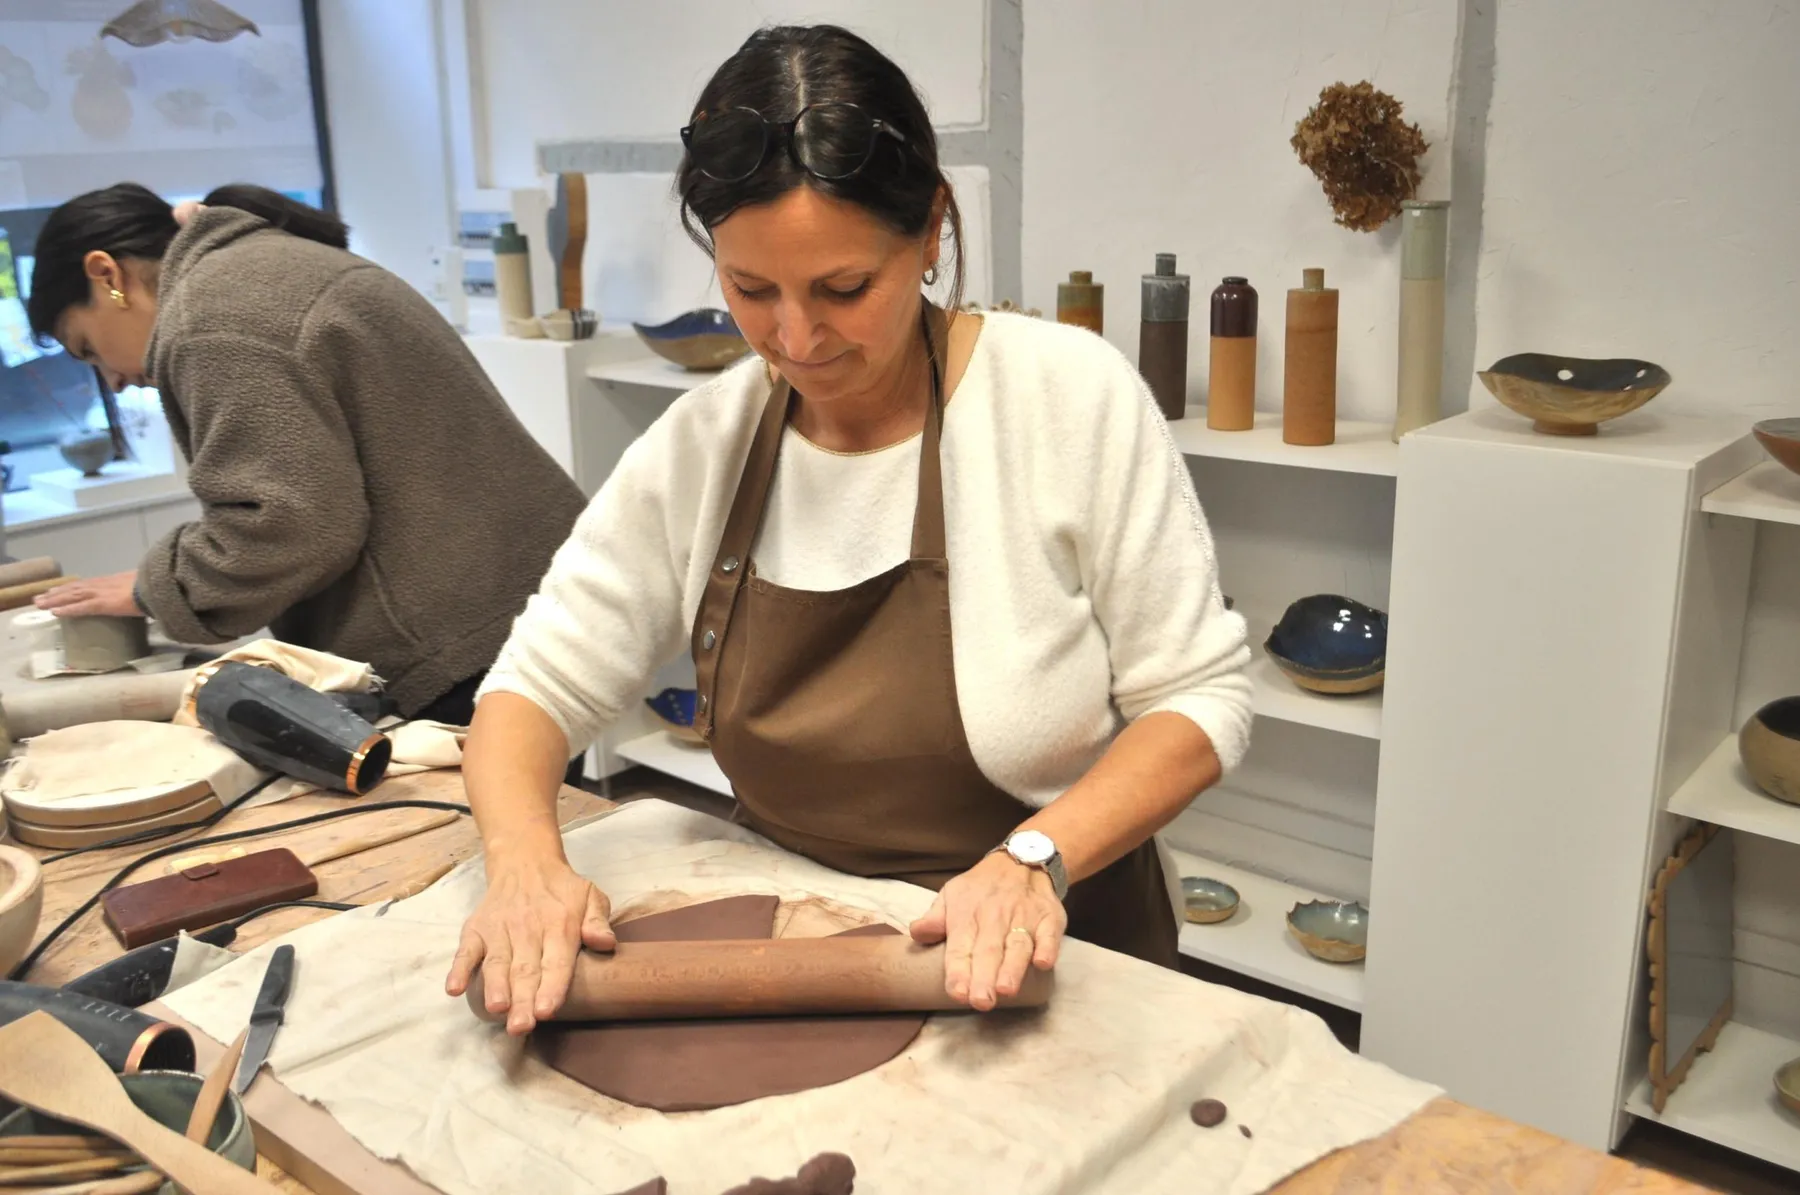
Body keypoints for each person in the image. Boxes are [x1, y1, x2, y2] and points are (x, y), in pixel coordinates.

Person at [445, 23, 1255, 1037]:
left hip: (1059, 955)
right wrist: (525, 869)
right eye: (751, 291)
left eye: (842, 289)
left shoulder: (1063, 397)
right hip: (804, 948)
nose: (796, 338)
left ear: (930, 233)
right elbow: (533, 687)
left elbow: (1199, 697)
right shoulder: (707, 443)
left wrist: (1030, 860)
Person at [25, 183, 589, 729]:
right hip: (523, 606)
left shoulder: (210, 318)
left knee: (502, 822)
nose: (114, 380)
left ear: (107, 274)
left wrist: (155, 587)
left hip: (464, 642)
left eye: (88, 349)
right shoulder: (258, 265)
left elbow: (292, 526)